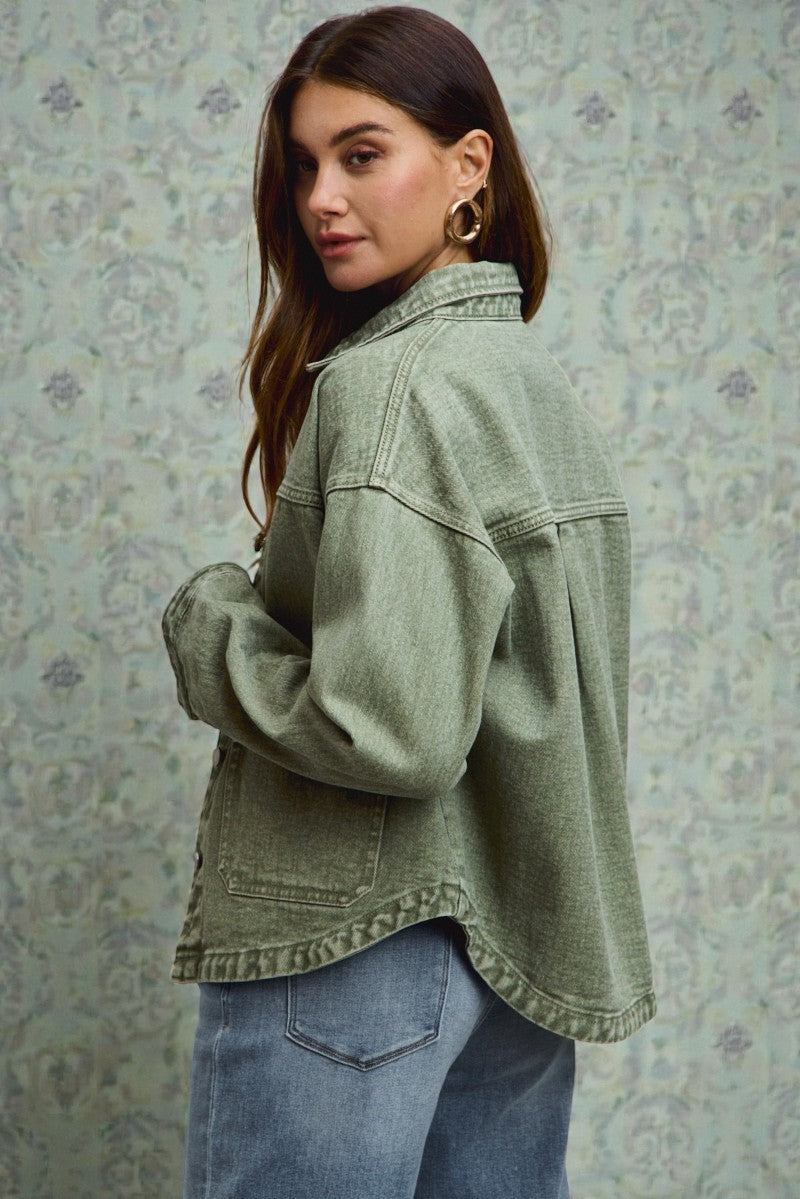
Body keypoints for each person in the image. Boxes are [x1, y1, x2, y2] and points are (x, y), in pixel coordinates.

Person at [162, 7, 655, 1197]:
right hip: (510, 969)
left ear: (467, 166)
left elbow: (386, 727)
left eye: (361, 153)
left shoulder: (392, 389)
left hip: (353, 944)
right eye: (300, 164)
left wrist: (210, 625)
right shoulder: (530, 387)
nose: (318, 196)